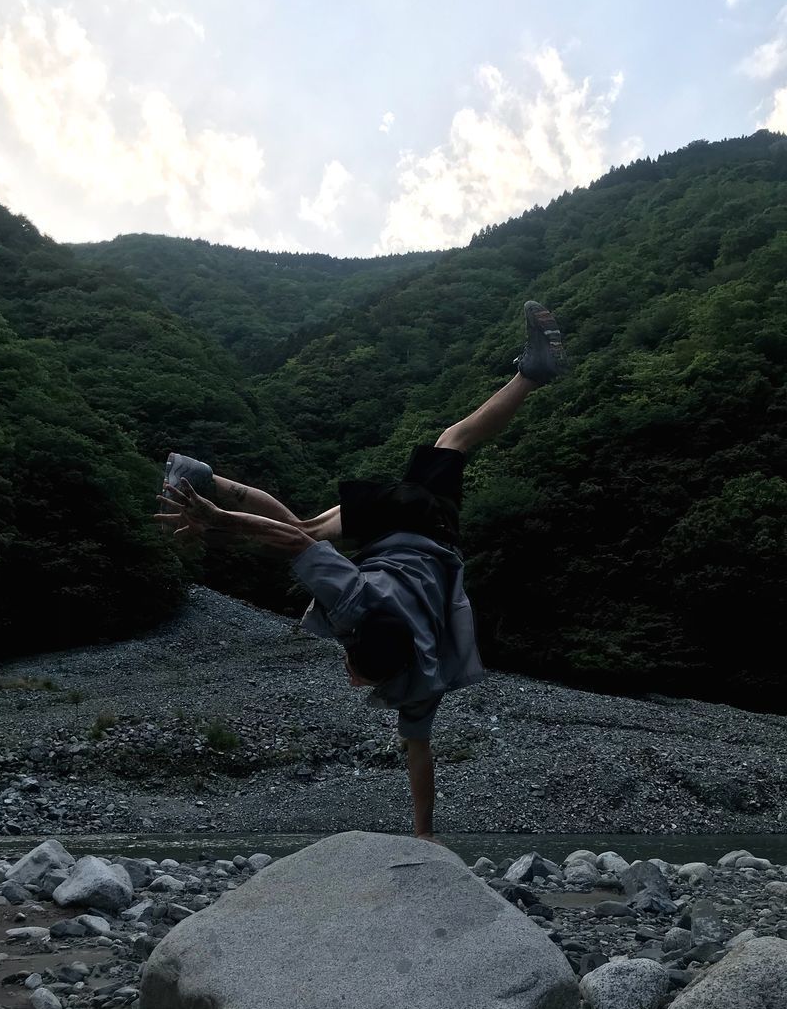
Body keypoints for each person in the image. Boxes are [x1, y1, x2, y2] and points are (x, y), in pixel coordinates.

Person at [156, 300, 566, 839]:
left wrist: (425, 835)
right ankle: (209, 482)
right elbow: (285, 541)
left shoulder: (424, 678)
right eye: (357, 669)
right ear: (359, 643)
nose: (351, 677)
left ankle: (532, 375)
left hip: (437, 536)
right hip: (404, 526)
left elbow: (420, 755)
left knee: (452, 442)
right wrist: (220, 520)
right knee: (307, 532)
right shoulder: (357, 602)